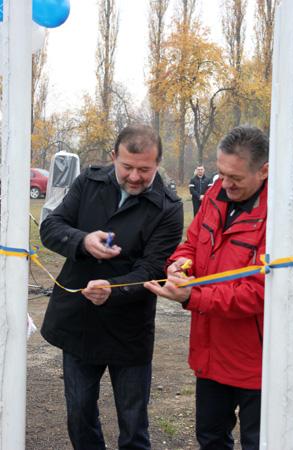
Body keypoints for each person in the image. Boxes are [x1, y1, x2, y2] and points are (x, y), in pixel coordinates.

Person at [40, 124, 183, 450]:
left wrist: (113, 288)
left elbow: (152, 268)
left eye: (145, 170)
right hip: (79, 322)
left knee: (133, 424)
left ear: (158, 163)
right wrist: (82, 240)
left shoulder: (168, 207)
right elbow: (51, 227)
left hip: (129, 329)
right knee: (79, 413)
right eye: (127, 167)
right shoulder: (88, 181)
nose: (135, 176)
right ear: (113, 158)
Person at [145, 125, 269, 450]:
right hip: (210, 353)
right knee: (210, 438)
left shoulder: (282, 217)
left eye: (236, 179)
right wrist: (179, 263)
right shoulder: (215, 195)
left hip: (258, 361)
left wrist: (191, 295)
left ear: (264, 170)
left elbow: (258, 292)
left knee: (261, 442)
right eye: (221, 173)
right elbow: (192, 243)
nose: (226, 185)